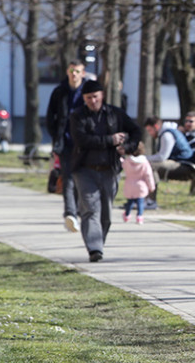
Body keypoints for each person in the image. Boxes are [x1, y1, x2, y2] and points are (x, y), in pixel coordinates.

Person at [70, 80, 142, 262]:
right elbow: (82, 140)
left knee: (106, 214)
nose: (92, 101)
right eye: (88, 98)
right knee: (90, 209)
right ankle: (95, 249)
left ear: (101, 95)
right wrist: (110, 140)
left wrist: (127, 147)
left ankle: (98, 243)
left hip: (109, 170)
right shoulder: (77, 116)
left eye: (95, 96)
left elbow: (135, 131)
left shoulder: (115, 114)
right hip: (85, 170)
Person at [46, 60, 88, 233]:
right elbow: (50, 116)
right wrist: (56, 137)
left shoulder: (88, 92)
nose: (74, 74)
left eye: (77, 71)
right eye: (71, 71)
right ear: (67, 71)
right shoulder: (59, 92)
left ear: (83, 73)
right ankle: (70, 214)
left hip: (84, 144)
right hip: (65, 144)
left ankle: (78, 210)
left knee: (82, 179)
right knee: (68, 179)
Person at [121, 141, 156, 225]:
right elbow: (148, 175)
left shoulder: (127, 161)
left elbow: (122, 165)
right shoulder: (144, 162)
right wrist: (151, 186)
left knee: (130, 202)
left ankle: (127, 215)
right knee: (140, 202)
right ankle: (139, 216)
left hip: (129, 184)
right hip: (141, 185)